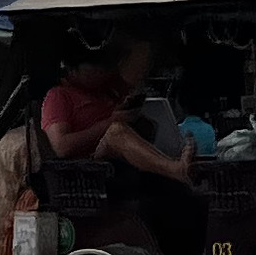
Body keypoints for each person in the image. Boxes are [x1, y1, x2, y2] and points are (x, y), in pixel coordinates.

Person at [40, 33, 190, 179]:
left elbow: (142, 49)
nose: (102, 71)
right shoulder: (59, 96)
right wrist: (109, 122)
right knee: (115, 132)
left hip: (122, 161)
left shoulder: (106, 89)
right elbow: (61, 147)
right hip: (88, 166)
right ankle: (174, 169)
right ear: (72, 70)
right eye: (95, 66)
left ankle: (175, 166)